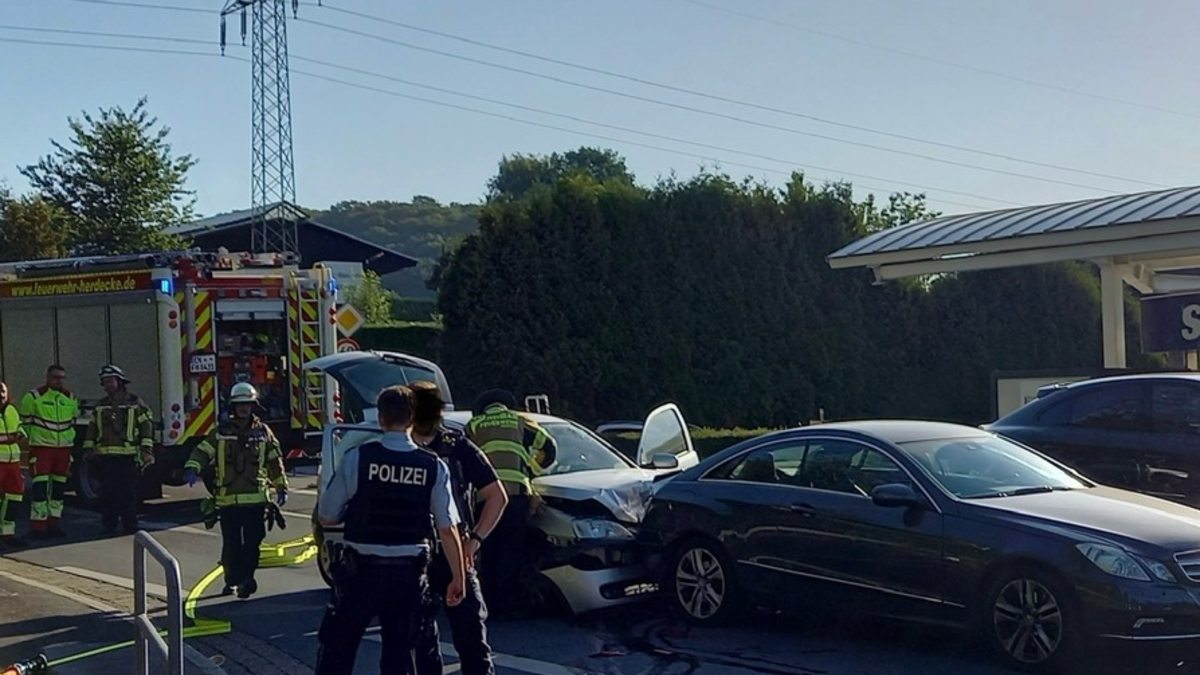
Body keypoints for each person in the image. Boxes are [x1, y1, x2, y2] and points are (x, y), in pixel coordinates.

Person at [315, 385, 466, 675]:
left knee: (338, 650)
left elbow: (326, 516)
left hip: (360, 574)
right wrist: (458, 577)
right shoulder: (432, 466)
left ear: (381, 419)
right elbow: (448, 529)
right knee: (400, 653)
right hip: (408, 576)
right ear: (413, 419)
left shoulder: (359, 458)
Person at [410, 381, 507, 675]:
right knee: (453, 642)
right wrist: (473, 542)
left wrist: (474, 541)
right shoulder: (449, 446)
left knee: (451, 643)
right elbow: (497, 497)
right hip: (440, 555)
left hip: (435, 555)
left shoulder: (454, 446)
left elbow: (496, 496)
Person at [183, 383, 288, 599]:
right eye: (240, 404)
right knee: (231, 544)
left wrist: (281, 486)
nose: (243, 409)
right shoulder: (220, 432)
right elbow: (202, 451)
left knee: (252, 543)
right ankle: (231, 579)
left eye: (247, 404)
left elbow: (274, 461)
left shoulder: (263, 432)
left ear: (253, 406)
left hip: (256, 499)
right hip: (228, 501)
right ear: (234, 406)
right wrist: (193, 467)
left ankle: (246, 580)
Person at [465, 389, 557, 617]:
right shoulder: (521, 420)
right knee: (511, 549)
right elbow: (549, 448)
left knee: (487, 548)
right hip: (517, 495)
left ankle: (487, 604)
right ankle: (508, 606)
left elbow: (465, 458)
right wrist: (530, 469)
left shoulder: (475, 425)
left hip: (485, 497)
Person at [82, 364, 154, 536]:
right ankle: (109, 526)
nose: (108, 385)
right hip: (106, 458)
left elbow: (146, 427)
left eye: (111, 381)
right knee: (107, 495)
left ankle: (130, 525)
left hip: (128, 458)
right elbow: (92, 429)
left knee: (128, 494)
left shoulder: (135, 403)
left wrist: (146, 450)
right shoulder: (101, 406)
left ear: (120, 381)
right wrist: (88, 449)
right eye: (105, 382)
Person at [20, 365, 79, 539]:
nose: (58, 380)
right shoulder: (33, 397)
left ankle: (55, 523)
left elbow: (72, 421)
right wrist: (36, 441)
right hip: (42, 449)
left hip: (63, 450)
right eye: (55, 377)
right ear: (47, 376)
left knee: (58, 491)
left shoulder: (70, 398)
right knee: (40, 489)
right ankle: (38, 526)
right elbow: (25, 424)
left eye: (61, 377)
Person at [0, 382, 28, 550]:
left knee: (15, 496)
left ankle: (8, 534)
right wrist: (9, 438)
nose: (1, 394)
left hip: (12, 462)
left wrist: (18, 436)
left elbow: (20, 431)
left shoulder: (11, 410)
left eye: (2, 391)